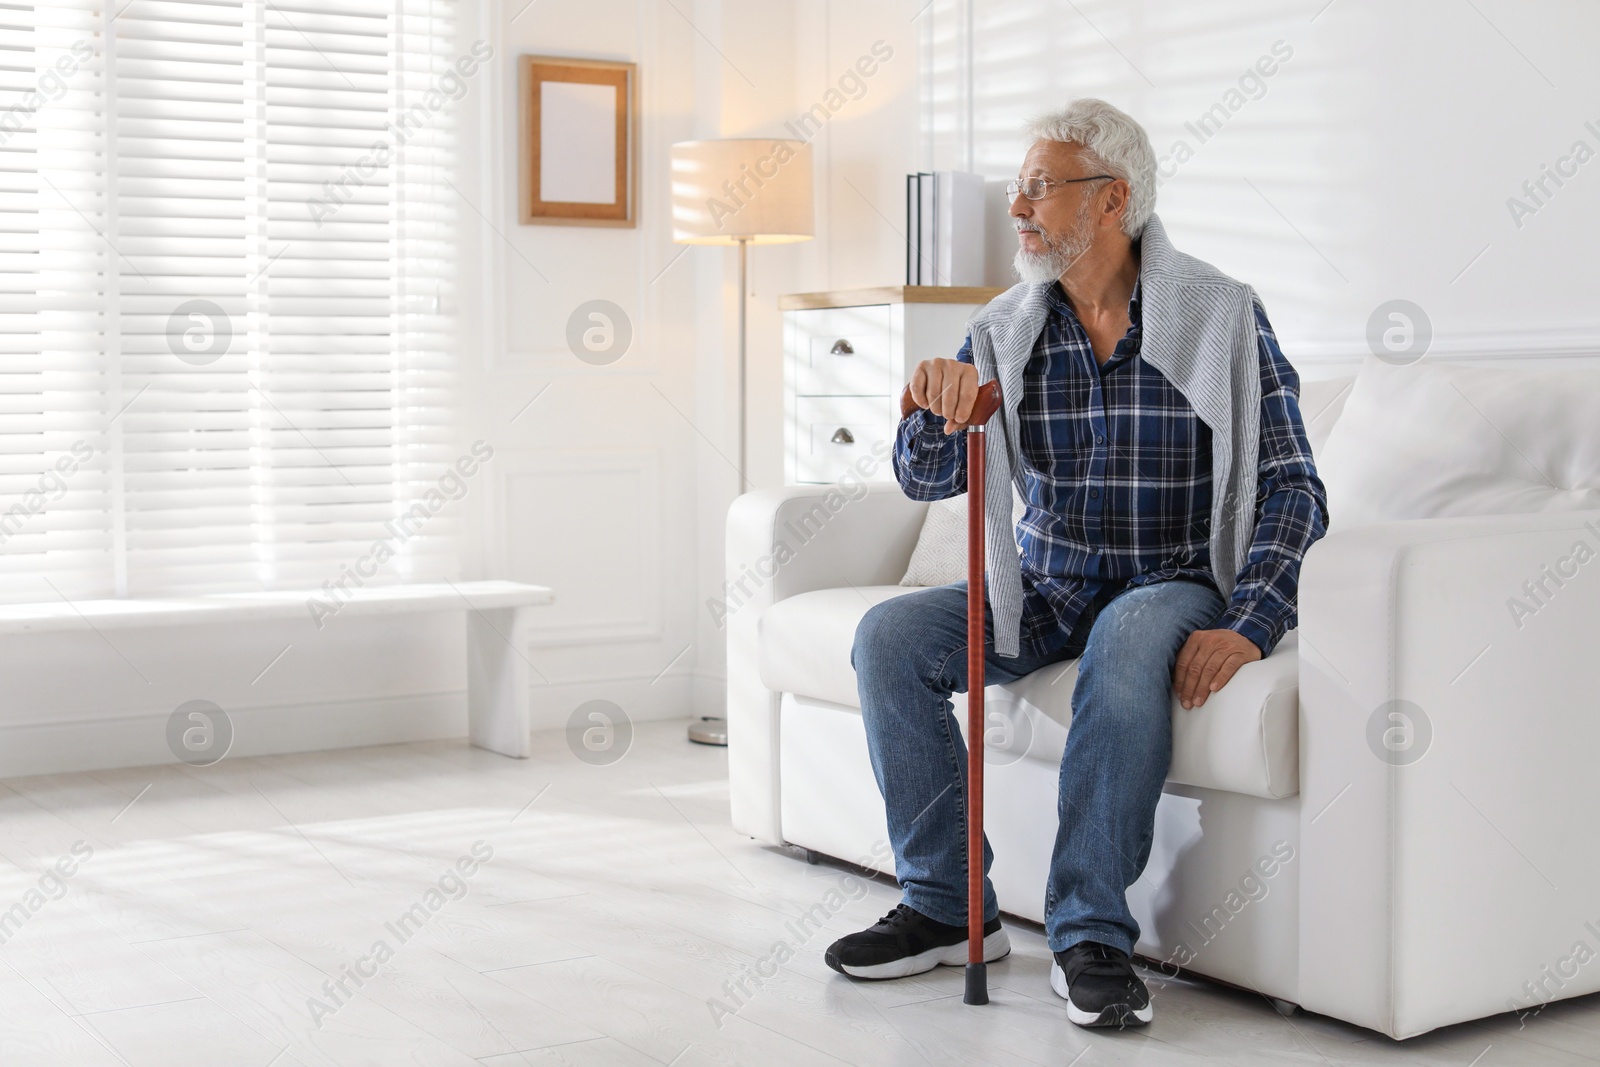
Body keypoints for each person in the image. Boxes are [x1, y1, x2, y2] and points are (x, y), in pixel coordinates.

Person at [823, 98, 1328, 1029]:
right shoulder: (1005, 328)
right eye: (1017, 188)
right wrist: (930, 408)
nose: (1018, 207)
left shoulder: (1221, 316)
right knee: (888, 636)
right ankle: (947, 907)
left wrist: (1249, 623)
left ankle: (1090, 929)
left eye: (1040, 188)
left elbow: (1294, 486)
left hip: (1170, 578)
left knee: (1132, 634)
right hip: (1047, 585)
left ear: (1111, 201)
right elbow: (928, 478)